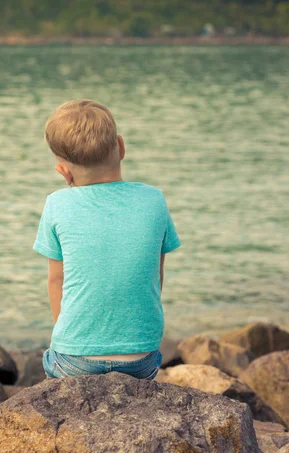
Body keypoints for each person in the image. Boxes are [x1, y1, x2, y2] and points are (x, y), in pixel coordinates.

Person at [34, 99, 181, 380]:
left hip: (75, 362)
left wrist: (70, 338)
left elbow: (56, 280)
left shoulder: (56, 204)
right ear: (121, 147)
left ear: (63, 171)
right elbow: (155, 276)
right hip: (142, 361)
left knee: (52, 359)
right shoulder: (154, 200)